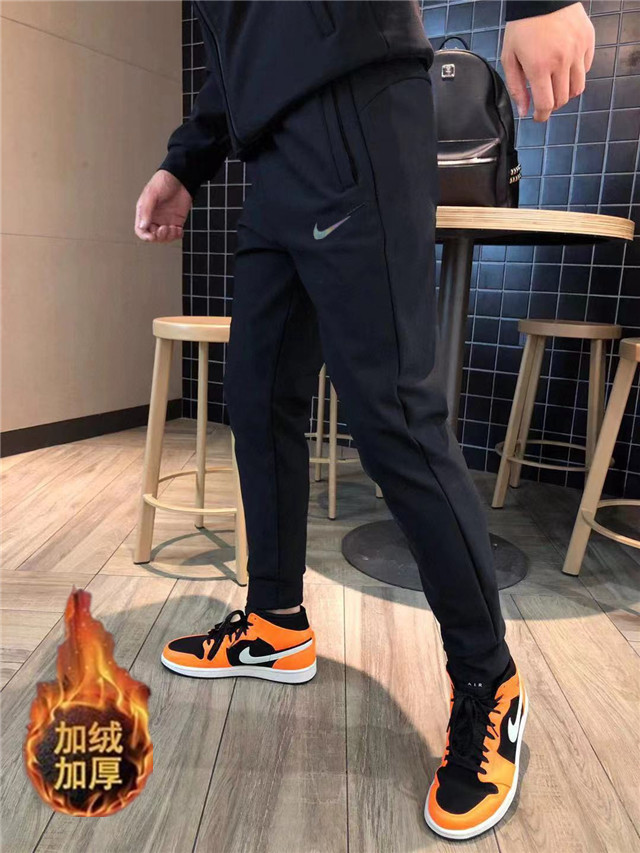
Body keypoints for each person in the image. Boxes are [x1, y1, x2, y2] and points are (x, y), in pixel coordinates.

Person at [135, 1, 595, 839]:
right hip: (272, 153)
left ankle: (489, 681)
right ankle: (275, 620)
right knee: (257, 396)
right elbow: (239, 33)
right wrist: (187, 162)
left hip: (352, 105)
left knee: (393, 417)